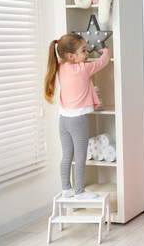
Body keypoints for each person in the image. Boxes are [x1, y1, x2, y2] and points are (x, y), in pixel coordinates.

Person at [44, 33, 111, 199]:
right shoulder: (84, 69)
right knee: (80, 156)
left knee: (67, 155)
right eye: (84, 50)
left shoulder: (60, 67)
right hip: (78, 120)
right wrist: (107, 52)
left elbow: (61, 58)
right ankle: (79, 191)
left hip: (63, 120)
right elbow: (102, 62)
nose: (87, 53)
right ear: (71, 56)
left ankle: (66, 189)